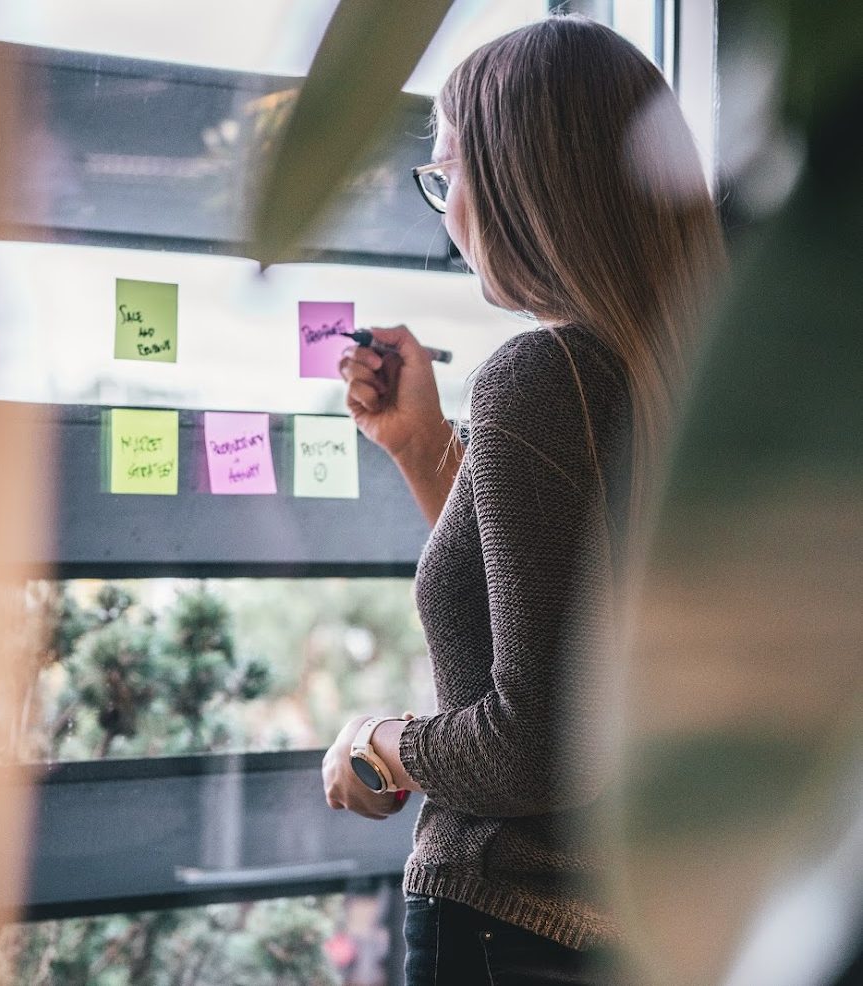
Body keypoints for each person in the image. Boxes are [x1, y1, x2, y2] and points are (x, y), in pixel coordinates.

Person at [321, 14, 725, 985]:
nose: (444, 206)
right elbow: (557, 612)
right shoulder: (695, 373)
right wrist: (425, 450)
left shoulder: (541, 374)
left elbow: (535, 741)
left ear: (520, 180)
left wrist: (380, 743)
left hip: (513, 927)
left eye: (448, 170)